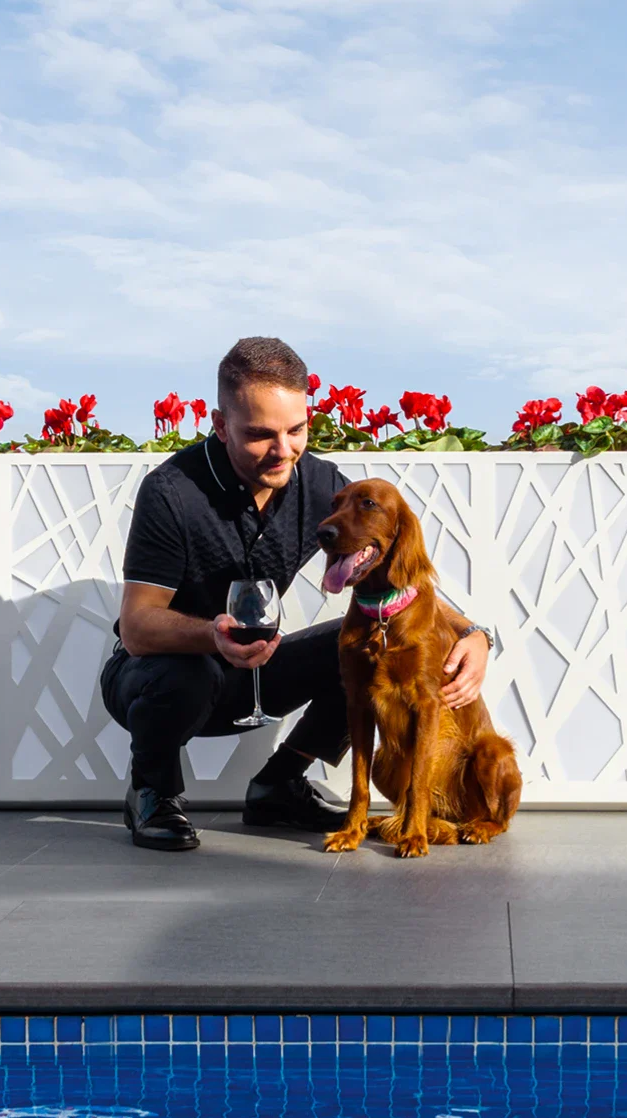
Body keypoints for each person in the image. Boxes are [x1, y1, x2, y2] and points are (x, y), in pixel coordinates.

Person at [102, 337, 496, 851]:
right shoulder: (172, 491)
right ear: (221, 427)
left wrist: (471, 632)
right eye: (261, 435)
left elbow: (395, 568)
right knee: (188, 669)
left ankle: (279, 785)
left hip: (257, 664)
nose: (283, 450)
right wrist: (212, 635)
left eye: (296, 430)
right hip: (160, 675)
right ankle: (152, 792)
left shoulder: (318, 485)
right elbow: (137, 627)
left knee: (358, 643)